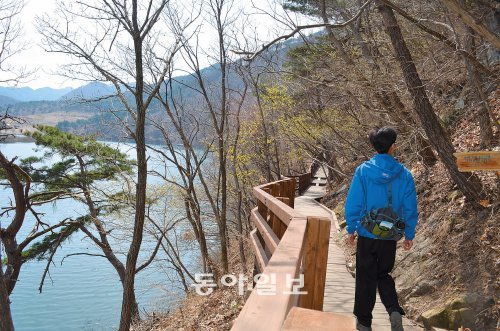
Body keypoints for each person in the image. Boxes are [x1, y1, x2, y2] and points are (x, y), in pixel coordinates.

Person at [344, 127, 418, 331]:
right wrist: (409, 233)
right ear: (393, 146)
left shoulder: (363, 171)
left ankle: (364, 323)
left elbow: (354, 202)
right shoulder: (404, 174)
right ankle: (394, 310)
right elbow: (410, 206)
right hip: (390, 235)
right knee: (383, 274)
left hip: (367, 233)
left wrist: (351, 228)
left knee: (365, 276)